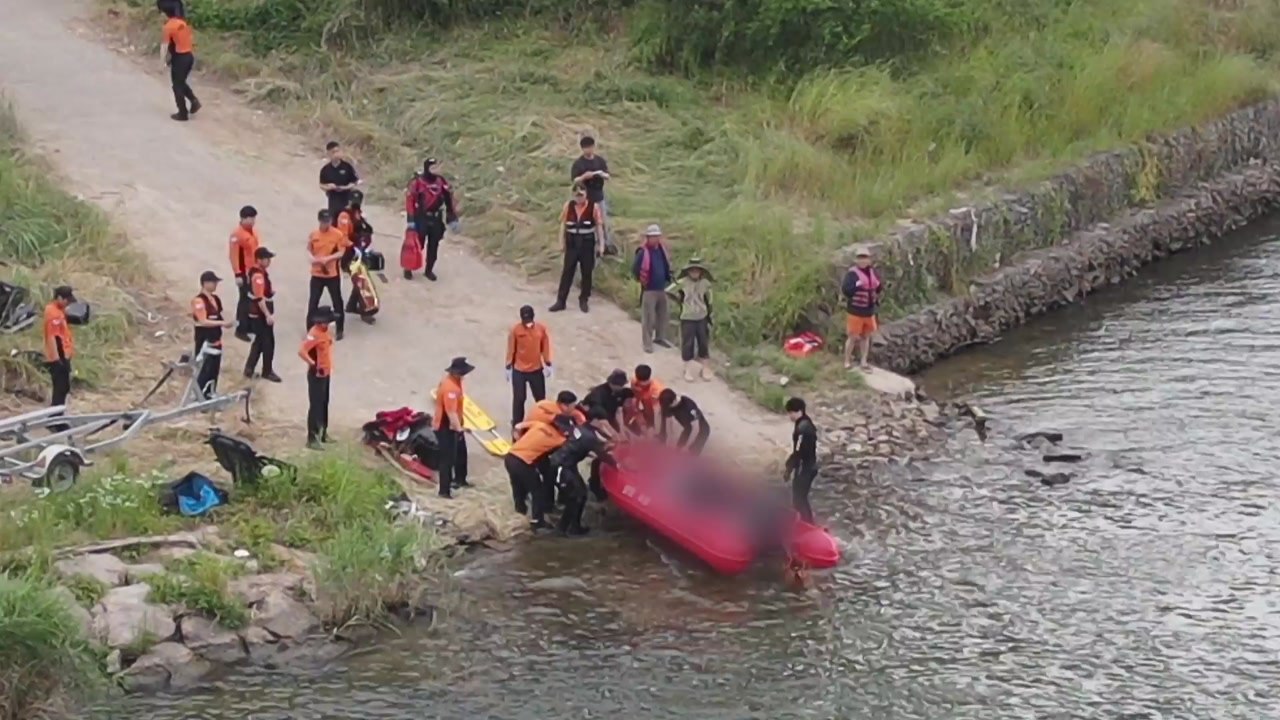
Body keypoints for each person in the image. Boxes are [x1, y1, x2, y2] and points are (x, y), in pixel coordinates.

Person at [547, 409, 616, 536]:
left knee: (581, 494)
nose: (605, 426)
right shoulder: (589, 436)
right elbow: (602, 454)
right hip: (562, 466)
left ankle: (573, 526)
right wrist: (617, 465)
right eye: (604, 422)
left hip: (568, 465)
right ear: (596, 421)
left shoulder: (583, 428)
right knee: (575, 497)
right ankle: (563, 528)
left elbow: (581, 445)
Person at [504, 414, 570, 530]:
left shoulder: (539, 425)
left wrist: (519, 440)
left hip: (510, 456)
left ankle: (520, 513)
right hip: (523, 462)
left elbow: (518, 426)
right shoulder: (559, 439)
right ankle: (537, 520)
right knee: (537, 490)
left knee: (517, 487)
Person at [550, 184, 603, 314]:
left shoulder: (594, 207)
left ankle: (584, 299)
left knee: (587, 273)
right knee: (567, 272)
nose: (579, 198)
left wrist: (601, 245)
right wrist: (561, 242)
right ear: (573, 195)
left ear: (586, 194)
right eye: (577, 195)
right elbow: (563, 225)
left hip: (587, 245)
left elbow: (599, 227)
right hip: (572, 244)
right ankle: (561, 301)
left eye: (581, 195)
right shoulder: (568, 206)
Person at [404, 158, 460, 281]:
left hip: (436, 219)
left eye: (437, 167)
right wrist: (411, 220)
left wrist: (452, 217)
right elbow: (410, 201)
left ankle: (429, 270)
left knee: (433, 246)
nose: (436, 170)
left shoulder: (441, 181)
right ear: (426, 168)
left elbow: (448, 199)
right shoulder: (417, 182)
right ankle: (408, 267)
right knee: (417, 245)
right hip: (421, 217)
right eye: (433, 168)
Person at [506, 305, 553, 430]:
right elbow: (511, 348)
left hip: (536, 370)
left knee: (540, 399)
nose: (527, 322)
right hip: (519, 370)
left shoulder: (541, 329)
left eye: (529, 319)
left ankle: (542, 421)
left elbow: (545, 346)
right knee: (519, 399)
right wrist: (508, 365)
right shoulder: (515, 330)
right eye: (525, 319)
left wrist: (548, 362)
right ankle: (517, 424)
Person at [433, 356, 474, 498]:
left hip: (454, 424)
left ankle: (460, 479)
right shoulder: (450, 388)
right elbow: (450, 412)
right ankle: (444, 491)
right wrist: (459, 429)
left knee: (461, 452)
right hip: (445, 426)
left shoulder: (454, 383)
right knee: (447, 459)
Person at [668, 256, 715, 381]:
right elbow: (669, 290)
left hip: (702, 316)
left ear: (701, 271)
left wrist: (710, 315)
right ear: (688, 271)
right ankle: (687, 369)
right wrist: (680, 300)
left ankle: (705, 368)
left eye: (697, 270)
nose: (694, 272)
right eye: (692, 270)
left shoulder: (705, 284)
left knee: (703, 342)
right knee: (688, 343)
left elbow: (710, 300)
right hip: (687, 317)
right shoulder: (682, 282)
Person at [307, 209, 350, 340]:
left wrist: (328, 259)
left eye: (328, 221)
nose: (327, 224)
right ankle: (310, 329)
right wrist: (312, 259)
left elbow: (341, 252)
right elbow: (309, 249)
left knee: (337, 302)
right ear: (319, 221)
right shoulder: (314, 235)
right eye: (324, 221)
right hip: (317, 274)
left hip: (332, 274)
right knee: (313, 302)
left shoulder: (337, 235)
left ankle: (340, 329)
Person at [337, 191, 377, 325]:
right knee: (361, 280)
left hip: (359, 251)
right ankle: (365, 311)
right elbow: (342, 237)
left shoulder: (358, 213)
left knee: (360, 278)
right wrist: (354, 247)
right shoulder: (344, 216)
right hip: (348, 253)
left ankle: (352, 305)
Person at [191, 270, 233, 399]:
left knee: (214, 368)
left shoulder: (216, 299)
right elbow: (203, 321)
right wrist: (222, 323)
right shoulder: (198, 301)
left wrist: (226, 322)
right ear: (205, 283)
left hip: (216, 339)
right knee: (204, 368)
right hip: (204, 339)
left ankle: (210, 392)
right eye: (213, 282)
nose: (215, 285)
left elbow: (219, 315)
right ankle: (199, 395)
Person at [299, 307, 336, 449]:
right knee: (315, 405)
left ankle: (323, 432)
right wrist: (313, 364)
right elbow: (302, 351)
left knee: (324, 403)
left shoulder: (325, 332)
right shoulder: (314, 334)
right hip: (316, 374)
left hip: (326, 373)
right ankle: (312, 438)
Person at [841, 246, 883, 370]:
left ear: (869, 260)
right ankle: (847, 361)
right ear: (856, 260)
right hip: (855, 311)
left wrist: (878, 286)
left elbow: (879, 288)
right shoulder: (852, 274)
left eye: (865, 258)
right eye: (860, 258)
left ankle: (863, 361)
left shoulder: (873, 273)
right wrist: (857, 285)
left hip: (869, 311)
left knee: (866, 337)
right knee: (853, 337)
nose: (862, 260)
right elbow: (846, 290)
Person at [570, 135, 614, 254]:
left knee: (603, 221)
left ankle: (606, 245)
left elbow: (608, 175)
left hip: (599, 195)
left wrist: (601, 174)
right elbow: (574, 180)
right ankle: (591, 246)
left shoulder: (599, 161)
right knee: (589, 223)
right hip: (585, 198)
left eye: (590, 147)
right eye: (586, 148)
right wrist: (584, 176)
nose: (588, 150)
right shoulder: (578, 164)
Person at [243, 247, 281, 382]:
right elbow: (259, 298)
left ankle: (249, 369)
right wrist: (267, 315)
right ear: (259, 260)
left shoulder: (258, 272)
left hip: (257, 313)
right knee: (268, 343)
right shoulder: (258, 276)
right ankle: (267, 371)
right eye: (266, 259)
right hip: (259, 314)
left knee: (259, 342)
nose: (269, 261)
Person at [633, 224, 673, 352]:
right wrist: (642, 281)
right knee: (649, 318)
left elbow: (666, 265)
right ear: (648, 238)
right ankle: (647, 343)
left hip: (662, 288)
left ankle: (660, 338)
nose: (655, 239)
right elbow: (635, 269)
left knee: (663, 315)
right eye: (653, 236)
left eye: (657, 236)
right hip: (649, 289)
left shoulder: (661, 250)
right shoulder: (643, 252)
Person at [159, 0, 200, 121]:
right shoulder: (183, 23)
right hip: (189, 56)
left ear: (165, 12)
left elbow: (164, 47)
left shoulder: (168, 27)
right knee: (180, 82)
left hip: (180, 58)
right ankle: (194, 101)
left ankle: (182, 113)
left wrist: (161, 64)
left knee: (177, 86)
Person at [784, 397, 819, 523]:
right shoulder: (806, 423)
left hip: (805, 468)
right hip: (809, 466)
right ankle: (806, 522)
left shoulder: (802, 428)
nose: (790, 416)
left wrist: (789, 468)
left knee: (799, 499)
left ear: (799, 411)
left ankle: (807, 524)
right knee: (800, 498)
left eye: (791, 412)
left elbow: (798, 451)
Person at [228, 205, 260, 342]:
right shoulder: (237, 235)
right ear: (243, 218)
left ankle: (248, 325)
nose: (253, 221)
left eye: (254, 218)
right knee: (244, 300)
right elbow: (234, 256)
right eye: (251, 219)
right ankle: (241, 329)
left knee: (252, 298)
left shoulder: (252, 232)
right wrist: (238, 274)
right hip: (244, 273)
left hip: (253, 270)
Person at [43, 286, 76, 414]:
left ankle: (57, 415)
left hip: (62, 355)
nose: (68, 304)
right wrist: (59, 360)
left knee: (63, 388)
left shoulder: (58, 311)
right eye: (66, 300)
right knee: (60, 389)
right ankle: (55, 417)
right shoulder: (53, 314)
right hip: (59, 357)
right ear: (59, 298)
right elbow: (53, 338)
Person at [658, 388, 711, 454]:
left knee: (690, 453)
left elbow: (695, 427)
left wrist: (681, 447)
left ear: (674, 401)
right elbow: (668, 420)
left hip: (700, 431)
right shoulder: (668, 403)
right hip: (686, 426)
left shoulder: (689, 407)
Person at [319, 141, 360, 220]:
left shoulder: (347, 167)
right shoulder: (325, 170)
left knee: (347, 220)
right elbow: (321, 185)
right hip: (333, 199)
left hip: (347, 198)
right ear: (328, 154)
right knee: (334, 220)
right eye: (333, 152)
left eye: (338, 151)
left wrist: (345, 187)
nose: (336, 154)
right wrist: (329, 187)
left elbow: (354, 182)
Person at [582, 369, 630, 434]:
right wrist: (615, 435)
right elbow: (600, 419)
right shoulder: (598, 394)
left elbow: (619, 411)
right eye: (620, 385)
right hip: (594, 418)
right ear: (612, 384)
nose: (622, 387)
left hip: (608, 415)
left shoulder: (619, 392)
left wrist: (622, 430)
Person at [629, 364, 665, 433]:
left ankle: (652, 427)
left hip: (654, 407)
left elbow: (657, 408)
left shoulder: (657, 389)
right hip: (642, 402)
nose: (640, 384)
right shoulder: (634, 382)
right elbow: (635, 396)